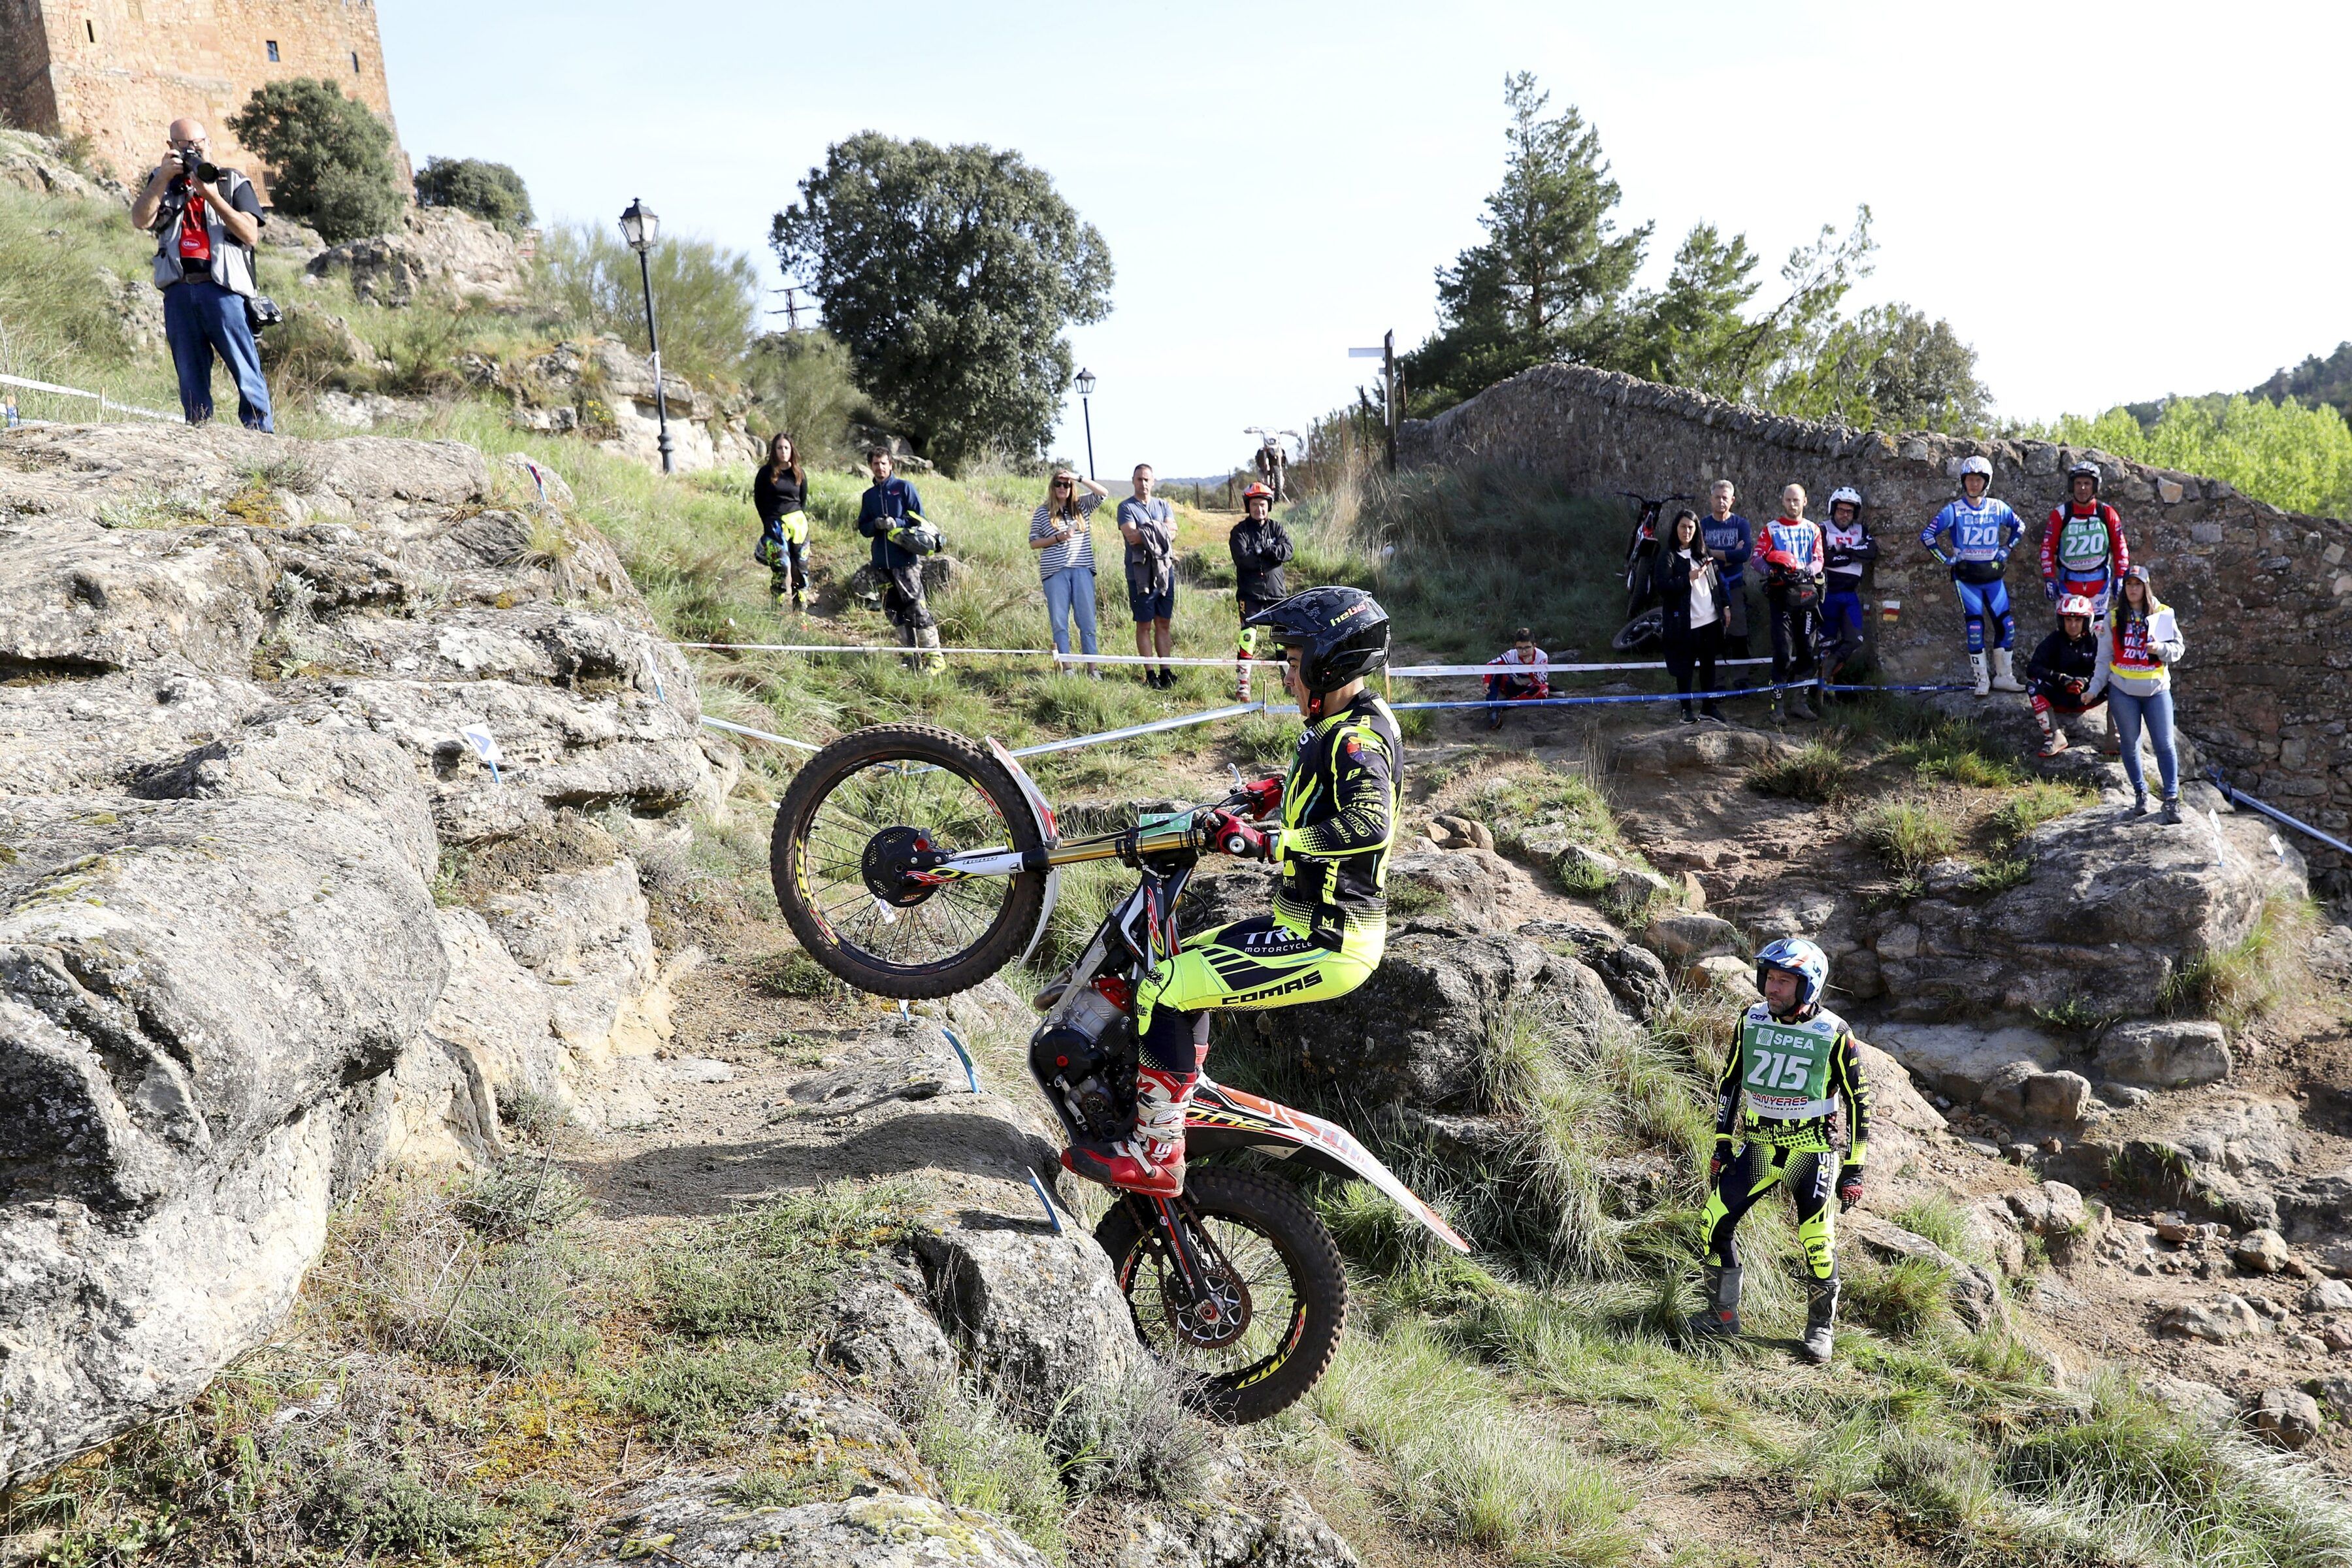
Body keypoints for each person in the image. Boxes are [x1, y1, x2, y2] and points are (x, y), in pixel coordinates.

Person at [1063, 586, 1400, 1197]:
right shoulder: (1346, 721)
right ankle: (1164, 1093)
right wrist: (1269, 792)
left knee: (1167, 990)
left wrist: (1271, 844)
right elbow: (1320, 780)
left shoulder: (1358, 739)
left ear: (1330, 662)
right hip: (1303, 924)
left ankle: (1156, 1151)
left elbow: (1368, 824)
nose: (1288, 674)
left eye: (1296, 662)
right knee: (1176, 969)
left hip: (1329, 940)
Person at [1686, 937, 1872, 1365]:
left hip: (1813, 1152)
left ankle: (1820, 1330)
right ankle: (1722, 1316)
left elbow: (1860, 1100)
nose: (1772, 988)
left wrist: (1854, 1169)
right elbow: (1731, 1081)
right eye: (1770, 978)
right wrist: (1720, 1142)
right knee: (1711, 1223)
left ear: (1808, 987)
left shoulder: (1835, 1032)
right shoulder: (1750, 1019)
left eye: (1785, 981)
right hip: (1758, 1148)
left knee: (1817, 1242)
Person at [127, 118, 271, 432]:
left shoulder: (233, 181)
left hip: (223, 290)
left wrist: (212, 196)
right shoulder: (161, 183)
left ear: (209, 144)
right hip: (179, 290)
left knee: (246, 368)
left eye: (199, 144)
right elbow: (140, 220)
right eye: (185, 146)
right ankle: (199, 432)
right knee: (190, 375)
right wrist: (162, 178)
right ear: (171, 147)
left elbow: (250, 234)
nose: (194, 151)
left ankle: (261, 433)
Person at [1921, 455, 2027, 697]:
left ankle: (2004, 677)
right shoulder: (1954, 510)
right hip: (1967, 578)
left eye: (1978, 480)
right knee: (1975, 628)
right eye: (1969, 479)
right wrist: (1946, 559)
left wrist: (2006, 549)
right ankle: (1982, 680)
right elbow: (1927, 535)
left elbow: (2019, 526)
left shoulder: (1997, 507)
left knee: (2008, 626)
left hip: (1993, 577)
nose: (1974, 484)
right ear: (1963, 481)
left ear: (1986, 482)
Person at [2086, 564, 2185, 823]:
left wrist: (2160, 649)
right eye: (2129, 584)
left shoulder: (2163, 614)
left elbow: (2178, 649)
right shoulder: (2114, 618)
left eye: (2138, 584)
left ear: (2146, 586)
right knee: (2129, 745)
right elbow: (2104, 658)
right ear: (2124, 588)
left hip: (2156, 690)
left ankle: (2171, 800)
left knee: (2164, 744)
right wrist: (2093, 689)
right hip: (2123, 690)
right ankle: (2140, 795)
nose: (2133, 589)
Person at [855, 449, 944, 672]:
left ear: (891, 465)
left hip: (906, 560)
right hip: (882, 563)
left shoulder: (904, 488)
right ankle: (910, 657)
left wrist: (898, 522)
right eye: (875, 464)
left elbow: (919, 519)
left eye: (884, 463)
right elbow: (863, 528)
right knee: (894, 611)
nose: (880, 467)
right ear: (871, 466)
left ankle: (935, 658)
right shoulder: (869, 496)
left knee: (917, 607)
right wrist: (875, 524)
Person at [1757, 483, 1825, 723]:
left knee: (1808, 651)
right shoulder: (1771, 529)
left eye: (1797, 500)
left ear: (1805, 501)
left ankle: (1800, 702)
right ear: (1783, 501)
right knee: (1783, 653)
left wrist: (1807, 571)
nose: (1792, 505)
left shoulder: (1813, 529)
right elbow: (1756, 558)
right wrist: (1771, 572)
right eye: (1788, 500)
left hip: (1806, 597)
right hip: (1781, 597)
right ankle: (1776, 706)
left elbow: (1819, 559)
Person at [1030, 469, 1110, 671]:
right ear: (1052, 486)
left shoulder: (1082, 506)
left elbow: (1103, 493)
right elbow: (1034, 542)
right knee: (1059, 621)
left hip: (1082, 569)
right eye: (1059, 484)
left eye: (1067, 485)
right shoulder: (1043, 511)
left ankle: (1093, 668)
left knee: (1087, 620)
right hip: (1055, 571)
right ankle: (1067, 668)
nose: (1062, 488)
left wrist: (1078, 477)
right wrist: (1058, 538)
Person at [1658, 510, 1725, 724]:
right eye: (1682, 527)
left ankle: (1708, 707)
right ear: (1675, 529)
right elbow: (1663, 587)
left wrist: (1727, 606)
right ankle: (1686, 709)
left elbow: (1717, 583)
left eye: (1691, 527)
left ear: (1697, 531)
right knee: (1684, 668)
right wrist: (1687, 578)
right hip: (1684, 623)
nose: (1686, 531)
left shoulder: (1703, 554)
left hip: (1710, 620)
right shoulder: (1667, 555)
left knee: (1709, 666)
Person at [2039, 460, 2131, 617]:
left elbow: (2120, 547)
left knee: (2098, 631)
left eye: (2087, 483)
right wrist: (2049, 578)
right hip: (2069, 584)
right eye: (2078, 483)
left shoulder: (2107, 513)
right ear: (2071, 486)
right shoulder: (2060, 514)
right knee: (2069, 631)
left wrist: (2121, 576)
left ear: (2095, 486)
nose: (2082, 488)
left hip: (2099, 584)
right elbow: (2047, 548)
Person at [1229, 483, 1294, 700]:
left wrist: (1265, 550)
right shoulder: (1239, 531)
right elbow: (1242, 559)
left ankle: (1290, 685)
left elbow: (1288, 551)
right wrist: (1270, 556)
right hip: (1250, 594)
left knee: (1282, 639)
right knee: (1248, 636)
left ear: (1269, 506)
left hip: (1277, 593)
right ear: (1249, 506)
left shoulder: (1277, 528)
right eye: (1255, 505)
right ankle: (1243, 686)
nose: (1259, 509)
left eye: (1263, 505)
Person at [1118, 464, 1179, 689]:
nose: (1143, 483)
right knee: (1144, 624)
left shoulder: (1164, 505)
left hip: (1164, 572)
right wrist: (1159, 529)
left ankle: (1166, 671)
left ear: (1153, 482)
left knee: (1164, 623)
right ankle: (1150, 673)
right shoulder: (1126, 507)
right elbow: (1132, 536)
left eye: (1146, 480)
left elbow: (1173, 533)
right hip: (1139, 575)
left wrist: (1148, 530)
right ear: (1133, 481)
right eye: (1139, 479)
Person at [2024, 594, 2106, 757]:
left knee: (2117, 682)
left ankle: (2114, 737)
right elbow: (2032, 668)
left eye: (2078, 620)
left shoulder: (2095, 641)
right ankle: (2054, 735)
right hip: (2060, 697)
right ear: (2062, 621)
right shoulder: (2054, 640)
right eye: (2068, 620)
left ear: (2086, 621)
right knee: (2033, 685)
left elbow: (2106, 668)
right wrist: (2060, 678)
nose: (2073, 625)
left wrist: (2087, 682)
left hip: (2089, 697)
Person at [1819, 486, 1877, 688]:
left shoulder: (1860, 530)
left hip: (1850, 595)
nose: (1845, 515)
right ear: (1833, 509)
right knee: (1824, 644)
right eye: (1841, 510)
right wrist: (1853, 555)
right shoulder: (1823, 529)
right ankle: (1820, 691)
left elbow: (1871, 552)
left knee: (1855, 639)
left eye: (1849, 511)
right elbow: (1827, 558)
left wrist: (1844, 549)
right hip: (1827, 595)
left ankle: (1831, 667)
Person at [752, 433, 811, 611]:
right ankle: (776, 610)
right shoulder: (765, 473)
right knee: (781, 566)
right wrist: (768, 523)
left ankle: (800, 612)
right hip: (775, 525)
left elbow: (803, 500)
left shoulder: (799, 473)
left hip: (798, 524)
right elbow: (759, 500)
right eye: (779, 448)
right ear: (774, 450)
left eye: (786, 448)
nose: (783, 451)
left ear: (792, 450)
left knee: (800, 568)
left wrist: (796, 518)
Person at [1701, 480, 1755, 659]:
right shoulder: (1703, 526)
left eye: (1725, 498)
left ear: (1733, 500)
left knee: (1739, 629)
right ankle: (1717, 679)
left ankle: (1742, 678)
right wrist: (1730, 554)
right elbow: (1699, 556)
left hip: (1735, 585)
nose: (1721, 501)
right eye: (1717, 497)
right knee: (1712, 629)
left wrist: (1712, 553)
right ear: (1711, 499)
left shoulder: (1741, 524)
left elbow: (1744, 555)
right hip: (1709, 586)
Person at [1482, 629, 1551, 729]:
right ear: (1515, 647)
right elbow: (1491, 665)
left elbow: (1540, 681)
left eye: (1527, 648)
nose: (1524, 652)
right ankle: (1492, 706)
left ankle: (1505, 704)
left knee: (1543, 690)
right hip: (1512, 683)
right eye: (1520, 648)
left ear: (1534, 646)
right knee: (1498, 673)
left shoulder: (1542, 657)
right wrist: (1486, 682)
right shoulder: (1512, 654)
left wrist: (1530, 665)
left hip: (1529, 688)